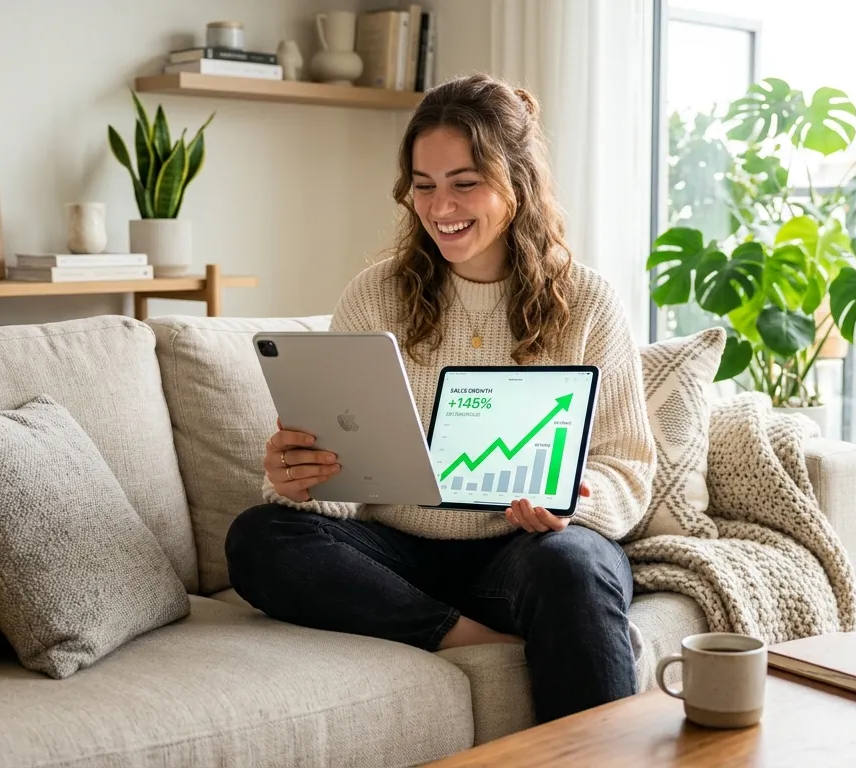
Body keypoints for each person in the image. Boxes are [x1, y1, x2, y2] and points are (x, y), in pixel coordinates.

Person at [225, 73, 655, 724]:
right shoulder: (376, 296)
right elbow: (346, 479)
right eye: (423, 186)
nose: (440, 207)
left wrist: (570, 502)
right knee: (259, 538)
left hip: (525, 552)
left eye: (464, 182)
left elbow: (627, 465)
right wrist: (299, 476)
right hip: (399, 557)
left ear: (518, 182)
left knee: (575, 565)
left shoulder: (587, 302)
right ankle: (464, 636)